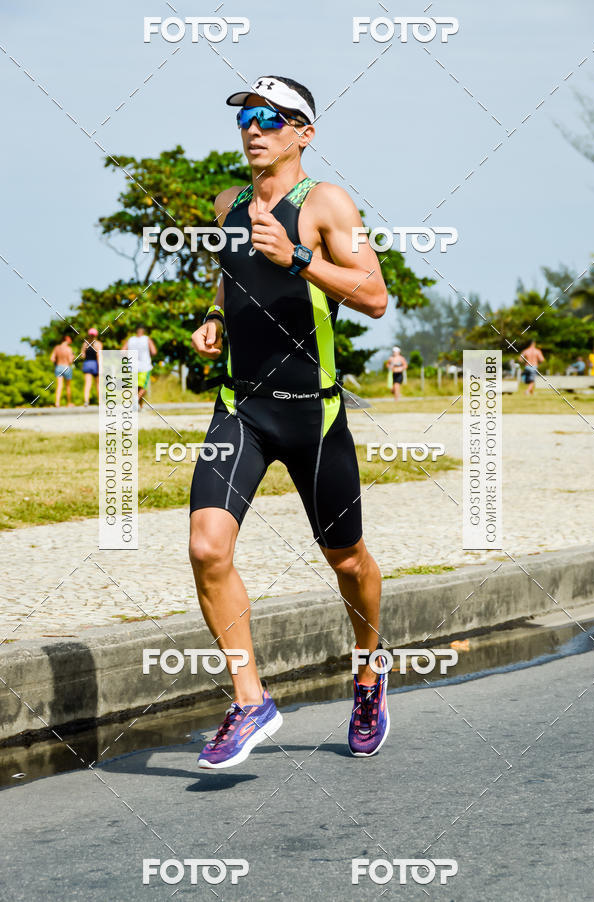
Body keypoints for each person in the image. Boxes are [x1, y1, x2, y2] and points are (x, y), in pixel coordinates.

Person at [189, 75, 390, 769]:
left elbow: (375, 296)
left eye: (271, 118)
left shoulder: (328, 203)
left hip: (315, 415)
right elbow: (231, 271)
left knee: (348, 560)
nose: (253, 127)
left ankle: (368, 672)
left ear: (303, 132)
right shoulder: (229, 203)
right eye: (246, 115)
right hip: (240, 408)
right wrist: (216, 316)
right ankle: (250, 700)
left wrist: (300, 258)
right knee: (207, 548)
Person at [122, 326, 157, 408]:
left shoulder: (130, 340)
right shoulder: (147, 339)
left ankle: (140, 406)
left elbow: (122, 352)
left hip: (131, 365)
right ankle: (136, 399)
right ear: (143, 331)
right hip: (144, 366)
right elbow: (154, 352)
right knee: (143, 386)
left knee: (136, 387)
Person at [50, 334, 74, 407]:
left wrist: (56, 363)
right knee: (68, 386)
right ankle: (69, 403)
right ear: (66, 339)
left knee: (59, 385)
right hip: (66, 367)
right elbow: (70, 361)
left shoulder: (57, 348)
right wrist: (73, 357)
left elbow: (52, 358)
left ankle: (57, 402)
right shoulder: (69, 349)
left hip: (58, 367)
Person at [80, 328, 103, 406]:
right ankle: (100, 401)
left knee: (87, 384)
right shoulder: (98, 344)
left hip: (87, 364)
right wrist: (100, 368)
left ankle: (86, 401)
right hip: (95, 364)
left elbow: (82, 356)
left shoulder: (85, 344)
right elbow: (99, 356)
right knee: (98, 384)